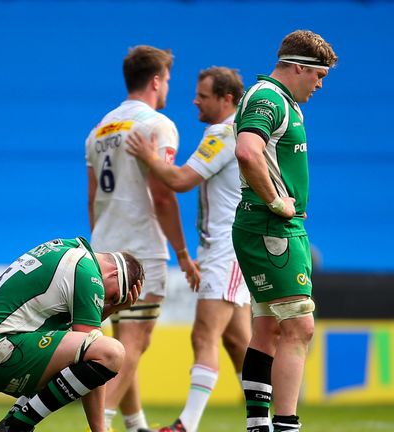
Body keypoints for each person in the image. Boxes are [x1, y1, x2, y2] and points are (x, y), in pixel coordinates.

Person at [124, 66, 252, 432]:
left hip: (226, 249)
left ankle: (187, 425)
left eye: (204, 95)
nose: (195, 100)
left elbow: (180, 181)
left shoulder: (223, 132)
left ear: (226, 99)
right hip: (226, 247)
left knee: (203, 336)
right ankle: (264, 421)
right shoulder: (237, 132)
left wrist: (150, 159)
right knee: (236, 342)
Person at [85, 45, 201, 432]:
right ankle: (100, 422)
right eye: (167, 79)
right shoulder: (157, 125)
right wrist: (182, 252)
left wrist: (99, 243)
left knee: (122, 340)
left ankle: (136, 426)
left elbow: (92, 198)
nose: (168, 87)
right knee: (135, 343)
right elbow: (165, 194)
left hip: (103, 246)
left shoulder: (99, 129)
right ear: (156, 80)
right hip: (140, 249)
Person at [232, 30, 337, 432]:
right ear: (299, 67)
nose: (320, 85)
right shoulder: (269, 98)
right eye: (319, 75)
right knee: (299, 326)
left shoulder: (280, 100)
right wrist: (277, 200)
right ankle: (287, 425)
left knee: (269, 327)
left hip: (267, 225)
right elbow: (247, 150)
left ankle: (259, 426)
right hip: (272, 226)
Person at [0, 237, 144, 432]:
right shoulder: (88, 274)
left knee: (79, 367)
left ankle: (12, 423)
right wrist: (100, 429)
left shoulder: (69, 248)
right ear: (115, 274)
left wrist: (113, 308)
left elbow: (75, 340)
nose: (105, 301)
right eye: (112, 297)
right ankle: (16, 426)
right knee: (112, 353)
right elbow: (95, 351)